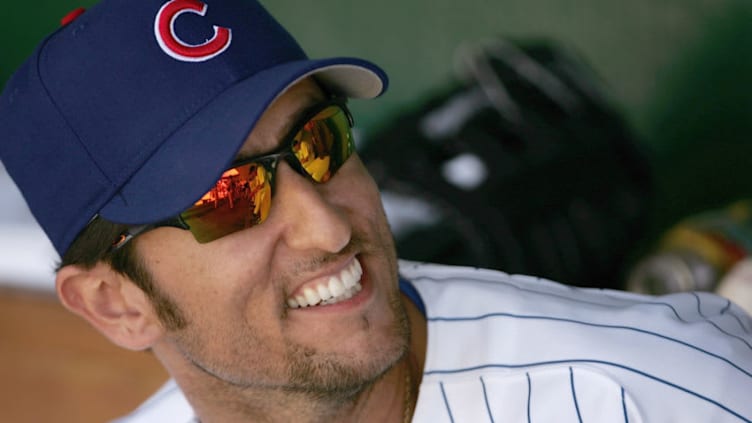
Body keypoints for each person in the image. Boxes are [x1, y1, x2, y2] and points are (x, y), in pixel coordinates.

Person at [1, 0, 750, 422]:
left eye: (319, 141)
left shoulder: (659, 393)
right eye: (228, 197)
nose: (328, 224)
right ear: (116, 303)